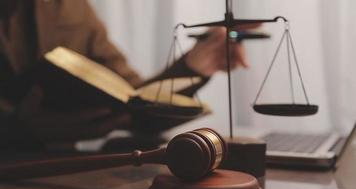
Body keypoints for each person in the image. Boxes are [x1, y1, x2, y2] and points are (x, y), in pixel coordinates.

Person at [0, 0, 257, 151]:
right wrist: (22, 130)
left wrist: (193, 66)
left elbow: (132, 98)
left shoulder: (70, 7)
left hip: (64, 175)